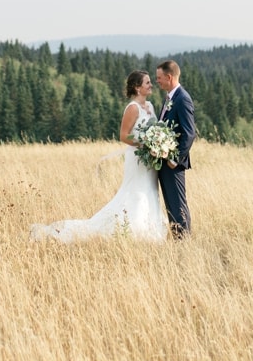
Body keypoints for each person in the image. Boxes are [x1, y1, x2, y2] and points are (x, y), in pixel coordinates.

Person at [29, 71, 168, 243]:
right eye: (147, 82)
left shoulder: (150, 106)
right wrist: (145, 143)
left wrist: (157, 143)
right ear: (137, 87)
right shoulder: (132, 108)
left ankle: (150, 230)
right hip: (138, 158)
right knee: (136, 192)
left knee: (150, 190)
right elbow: (124, 136)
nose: (151, 85)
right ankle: (132, 230)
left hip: (149, 160)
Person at [154, 59, 195, 238]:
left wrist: (174, 159)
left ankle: (184, 242)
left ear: (169, 77)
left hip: (173, 164)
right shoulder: (170, 97)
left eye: (159, 77)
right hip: (164, 161)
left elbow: (189, 133)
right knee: (171, 205)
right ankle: (178, 239)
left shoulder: (182, 99)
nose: (157, 81)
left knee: (178, 205)